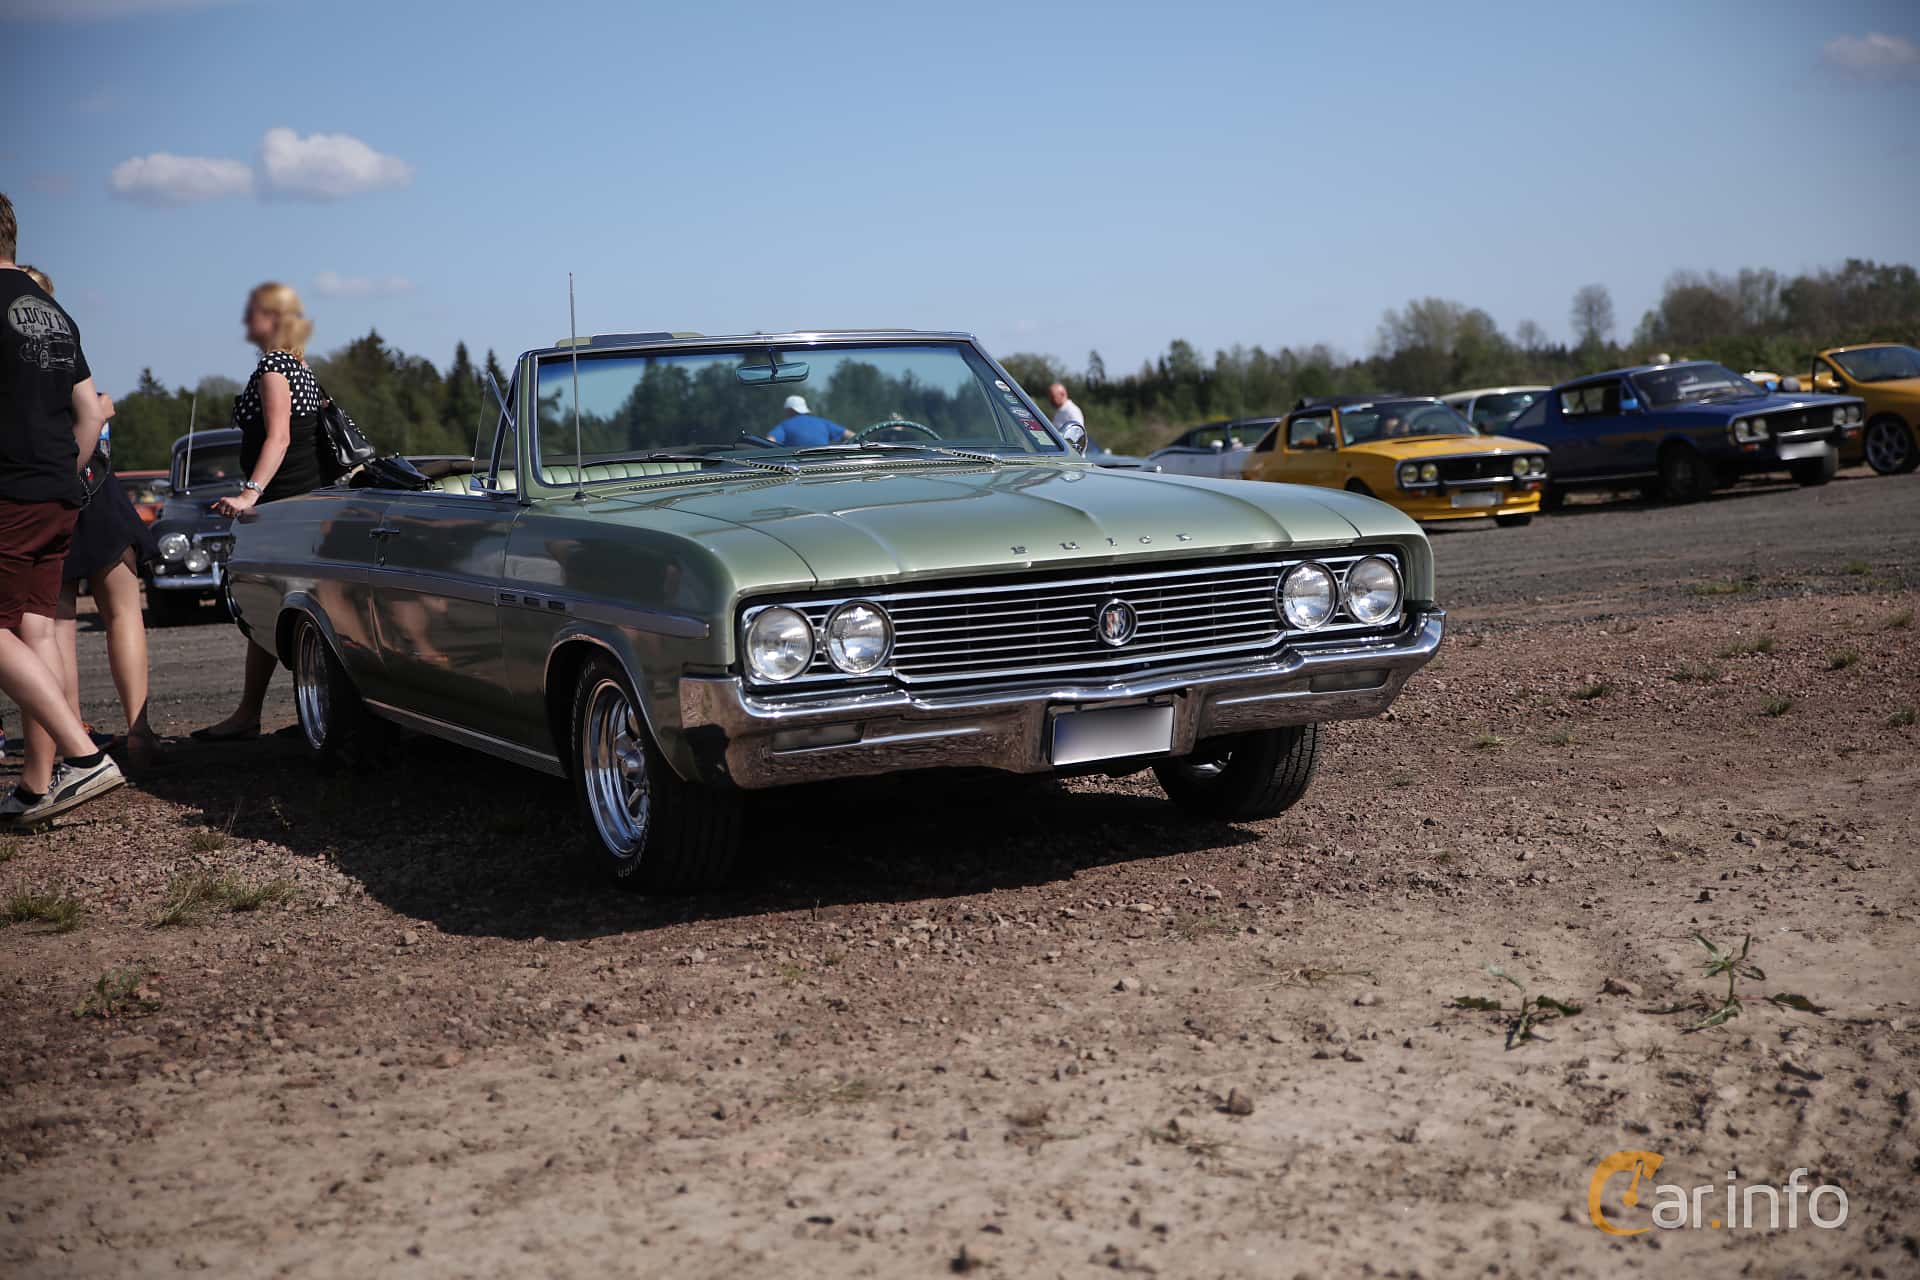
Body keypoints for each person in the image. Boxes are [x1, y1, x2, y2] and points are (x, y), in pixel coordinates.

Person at [0, 192, 127, 824]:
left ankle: (83, 756)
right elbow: (90, 411)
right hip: (57, 490)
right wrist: (66, 476)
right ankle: (36, 785)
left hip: (9, 492)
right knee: (34, 626)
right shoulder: (51, 309)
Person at [21, 267, 160, 771]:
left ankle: (72, 733)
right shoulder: (63, 340)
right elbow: (97, 410)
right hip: (96, 489)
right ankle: (138, 733)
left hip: (45, 496)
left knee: (54, 623)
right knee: (122, 614)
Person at [192, 282, 332, 742]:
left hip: (283, 505)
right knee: (276, 610)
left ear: (273, 317)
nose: (244, 321)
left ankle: (263, 714)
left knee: (270, 607)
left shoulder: (275, 367)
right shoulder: (301, 367)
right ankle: (251, 713)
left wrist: (250, 492)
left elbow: (279, 437)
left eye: (251, 312)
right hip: (305, 502)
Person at [767, 395, 851, 448]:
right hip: (823, 466)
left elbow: (770, 441)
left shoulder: (784, 426)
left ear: (789, 410)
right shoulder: (823, 423)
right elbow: (851, 435)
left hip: (796, 469)